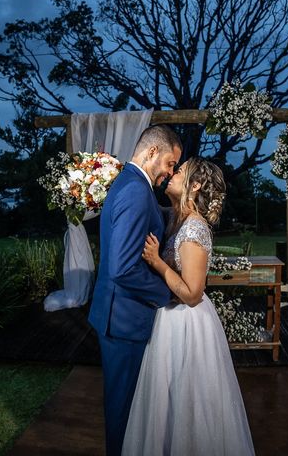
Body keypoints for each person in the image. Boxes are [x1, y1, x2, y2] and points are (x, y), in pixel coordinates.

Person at [122, 157, 255, 455]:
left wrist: (157, 262)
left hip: (187, 322)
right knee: (166, 402)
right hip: (168, 319)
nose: (171, 174)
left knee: (189, 401)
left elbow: (193, 293)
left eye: (178, 171)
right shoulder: (176, 217)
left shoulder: (195, 229)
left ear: (194, 185)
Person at [88, 124, 182, 456]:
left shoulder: (130, 184)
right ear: (152, 151)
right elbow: (123, 266)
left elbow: (154, 215)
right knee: (124, 411)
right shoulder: (135, 191)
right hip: (124, 319)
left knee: (127, 408)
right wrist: (168, 293)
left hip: (119, 315)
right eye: (171, 164)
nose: (170, 174)